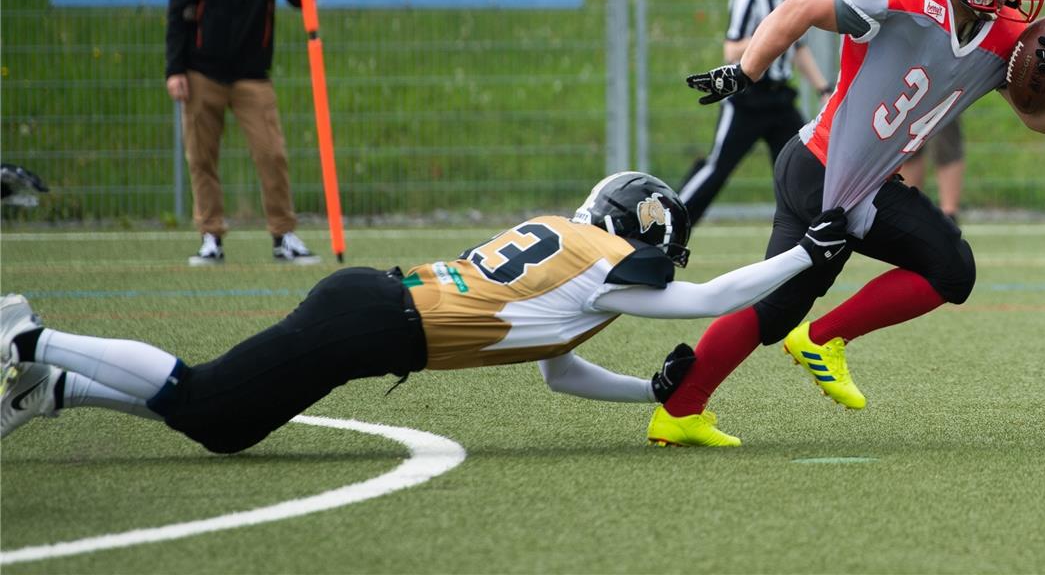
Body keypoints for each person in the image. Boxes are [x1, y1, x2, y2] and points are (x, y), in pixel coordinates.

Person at [658, 0, 1045, 439]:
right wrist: (744, 72)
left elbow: (1040, 122)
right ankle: (689, 404)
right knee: (777, 309)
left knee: (949, 270)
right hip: (821, 169)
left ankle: (798, 350)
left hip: (866, 186)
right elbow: (799, 7)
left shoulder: (1004, 33)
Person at [0, 172, 848, 450]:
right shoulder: (603, 267)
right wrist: (807, 254)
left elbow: (555, 371)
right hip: (373, 324)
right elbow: (709, 297)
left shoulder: (568, 248)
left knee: (222, 424)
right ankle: (28, 332)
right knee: (202, 398)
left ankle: (51, 388)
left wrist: (647, 395)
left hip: (373, 310)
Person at [165, 0, 319, 266]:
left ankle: (284, 235)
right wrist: (175, 69)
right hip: (202, 73)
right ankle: (210, 237)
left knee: (271, 154)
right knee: (201, 157)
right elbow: (179, 13)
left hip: (252, 75)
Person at [678, 0, 833, 225]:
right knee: (716, 169)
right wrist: (773, 34)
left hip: (779, 100)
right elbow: (731, 49)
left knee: (803, 167)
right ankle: (669, 222)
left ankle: (808, 237)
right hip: (747, 97)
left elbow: (798, 49)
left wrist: (823, 87)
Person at [875, 0, 964, 222]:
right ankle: (914, 206)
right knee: (907, 132)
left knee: (947, 131)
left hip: (943, 54)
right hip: (906, 55)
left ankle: (950, 211)